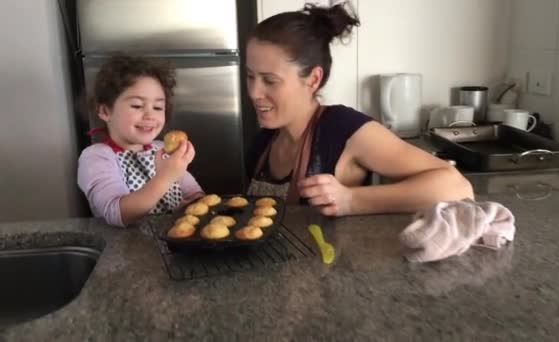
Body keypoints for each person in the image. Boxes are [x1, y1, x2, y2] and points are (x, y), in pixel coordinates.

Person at [245, 3, 473, 216]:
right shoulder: (264, 141)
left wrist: (351, 200)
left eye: (270, 81)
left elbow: (456, 187)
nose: (254, 92)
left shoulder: (342, 128)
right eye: (250, 76)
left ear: (313, 79)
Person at [77, 55, 203, 227]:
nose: (150, 115)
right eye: (137, 105)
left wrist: (192, 205)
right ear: (105, 111)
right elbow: (117, 213)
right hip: (127, 249)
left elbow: (195, 195)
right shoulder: (96, 157)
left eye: (158, 107)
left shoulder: (163, 150)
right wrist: (166, 176)